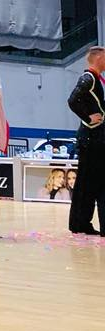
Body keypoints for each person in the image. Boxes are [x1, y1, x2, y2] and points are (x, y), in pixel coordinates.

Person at [67, 46, 105, 235]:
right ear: (98, 58)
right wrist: (88, 118)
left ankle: (81, 223)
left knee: (90, 183)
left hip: (96, 138)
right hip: (91, 139)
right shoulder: (88, 78)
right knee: (88, 183)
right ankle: (80, 223)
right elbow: (72, 100)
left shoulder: (96, 79)